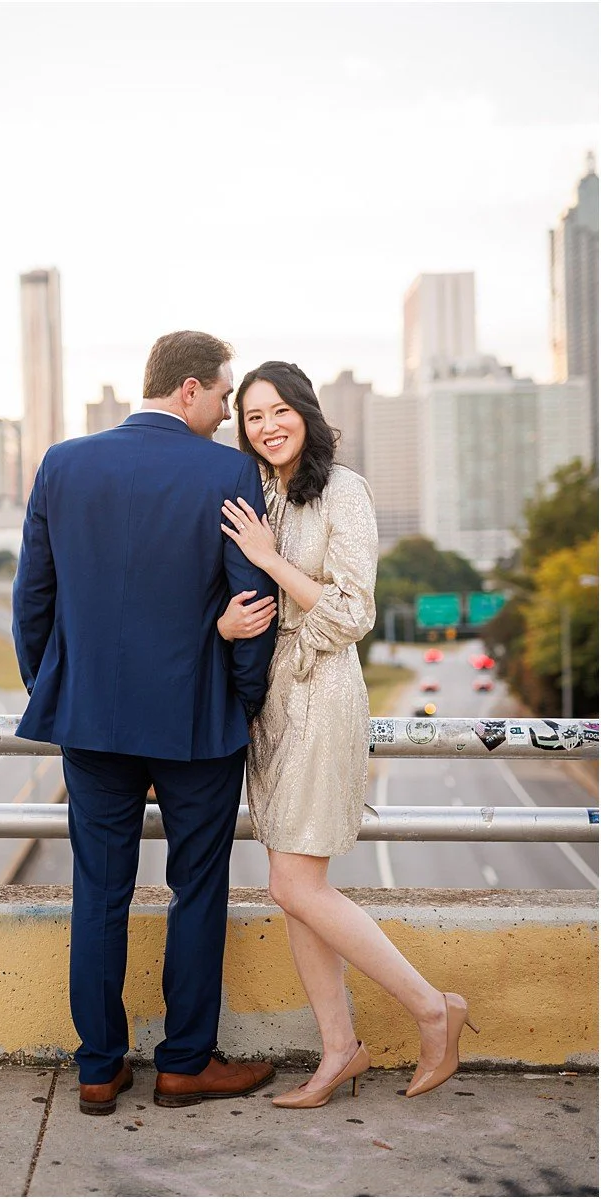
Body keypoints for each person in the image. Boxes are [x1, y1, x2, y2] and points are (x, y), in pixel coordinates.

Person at [13, 330, 280, 1116]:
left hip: (91, 718)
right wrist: (242, 697)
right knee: (197, 888)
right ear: (190, 388)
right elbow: (251, 606)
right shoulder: (229, 471)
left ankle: (99, 1067)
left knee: (98, 891)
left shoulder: (63, 461)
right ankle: (184, 1064)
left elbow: (34, 598)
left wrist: (59, 687)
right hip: (198, 721)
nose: (230, 413)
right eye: (226, 395)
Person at [217, 360, 475, 1108]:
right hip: (272, 701)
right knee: (297, 890)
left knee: (294, 882)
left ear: (305, 409)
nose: (265, 425)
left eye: (276, 410)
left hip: (323, 692)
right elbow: (239, 591)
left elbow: (352, 611)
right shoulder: (260, 491)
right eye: (252, 415)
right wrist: (227, 622)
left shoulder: (344, 489)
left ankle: (434, 1009)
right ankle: (340, 1050)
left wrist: (270, 560)